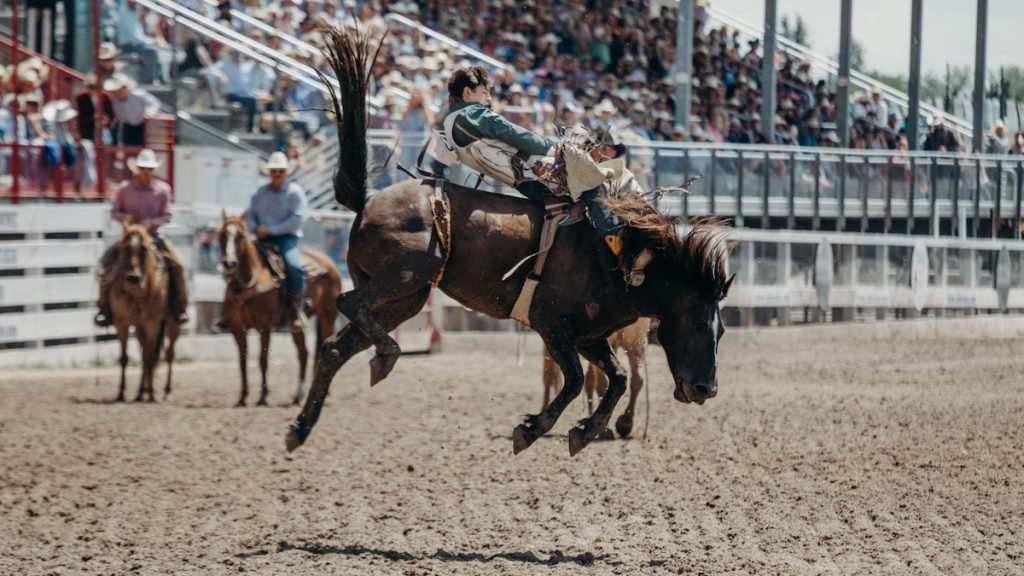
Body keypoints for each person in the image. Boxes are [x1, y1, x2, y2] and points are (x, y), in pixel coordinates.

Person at [441, 65, 621, 253]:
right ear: (468, 92)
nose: (489, 98)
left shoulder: (450, 121)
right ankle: (615, 238)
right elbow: (511, 132)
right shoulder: (472, 113)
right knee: (592, 179)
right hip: (534, 173)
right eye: (485, 92)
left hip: (523, 182)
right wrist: (552, 148)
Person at [95, 149, 189, 327]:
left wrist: (152, 222)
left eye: (150, 168)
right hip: (129, 238)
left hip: (153, 236)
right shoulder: (125, 189)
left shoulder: (162, 190)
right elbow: (115, 211)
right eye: (143, 168)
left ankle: (179, 306)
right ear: (137, 168)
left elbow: (168, 214)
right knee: (105, 266)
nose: (146, 171)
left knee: (178, 265)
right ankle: (104, 307)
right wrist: (128, 219)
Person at [245, 151, 308, 328]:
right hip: (262, 238)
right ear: (269, 173)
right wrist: (254, 228)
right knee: (239, 261)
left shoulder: (295, 193)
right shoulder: (259, 193)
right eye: (274, 170)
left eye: (280, 170)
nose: (277, 174)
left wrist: (271, 229)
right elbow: (250, 215)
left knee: (293, 265)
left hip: (286, 238)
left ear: (286, 172)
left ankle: (297, 306)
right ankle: (232, 308)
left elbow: (296, 220)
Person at [105, 74, 161, 146]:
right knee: (128, 146)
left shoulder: (138, 94)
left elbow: (154, 103)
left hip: (142, 125)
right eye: (115, 91)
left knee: (141, 145)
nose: (116, 93)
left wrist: (149, 113)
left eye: (118, 90)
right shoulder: (114, 101)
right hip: (127, 126)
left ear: (125, 88)